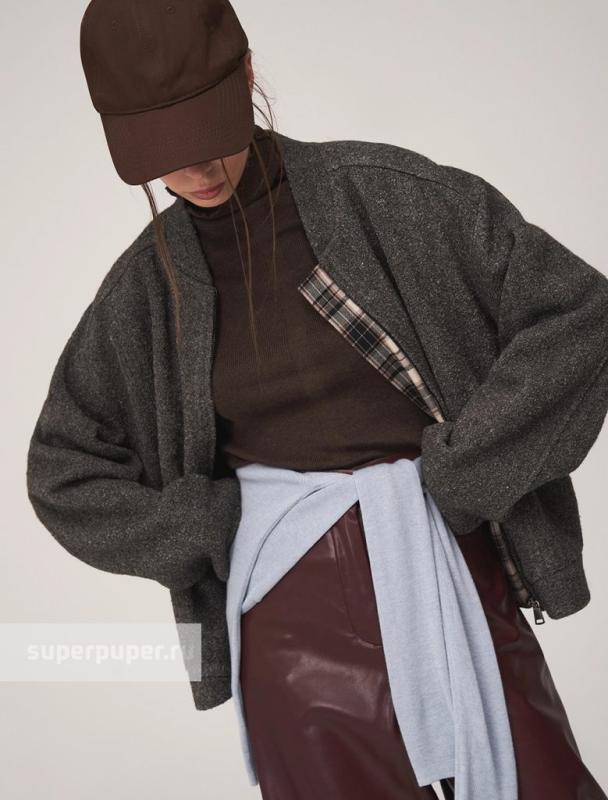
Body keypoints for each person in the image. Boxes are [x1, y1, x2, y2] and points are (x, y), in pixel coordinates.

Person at [26, 1, 608, 799]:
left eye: (207, 130)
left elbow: (581, 316)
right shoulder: (143, 294)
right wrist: (204, 526)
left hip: (451, 566)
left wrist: (469, 471)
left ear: (247, 75)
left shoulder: (390, 197)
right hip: (283, 613)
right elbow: (62, 468)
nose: (195, 167)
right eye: (165, 150)